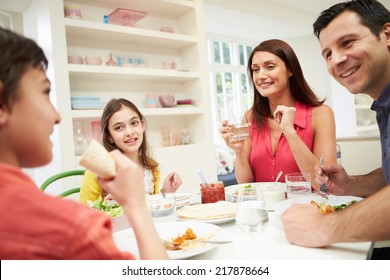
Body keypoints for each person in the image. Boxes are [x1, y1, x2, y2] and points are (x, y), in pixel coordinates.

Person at [0, 27, 168, 260]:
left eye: (134, 123)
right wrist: (136, 206)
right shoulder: (75, 229)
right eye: (44, 92)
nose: (57, 116)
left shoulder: (151, 165)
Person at [281, 0, 390, 258]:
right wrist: (352, 184)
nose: (337, 60)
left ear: (386, 35)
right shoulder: (383, 105)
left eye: (348, 42)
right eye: (327, 54)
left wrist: (322, 227)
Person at [219, 39, 336, 190]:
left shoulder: (321, 115)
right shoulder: (250, 117)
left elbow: (327, 184)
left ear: (290, 70)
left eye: (270, 67)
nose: (261, 75)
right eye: (256, 69)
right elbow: (246, 184)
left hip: (308, 209)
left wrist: (290, 132)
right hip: (265, 211)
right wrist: (239, 152)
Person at [79, 98, 182, 204]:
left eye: (134, 123)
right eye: (119, 127)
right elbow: (82, 216)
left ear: (142, 125)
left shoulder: (151, 167)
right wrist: (110, 207)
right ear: (109, 136)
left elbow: (151, 209)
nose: (129, 132)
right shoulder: (96, 172)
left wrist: (166, 192)